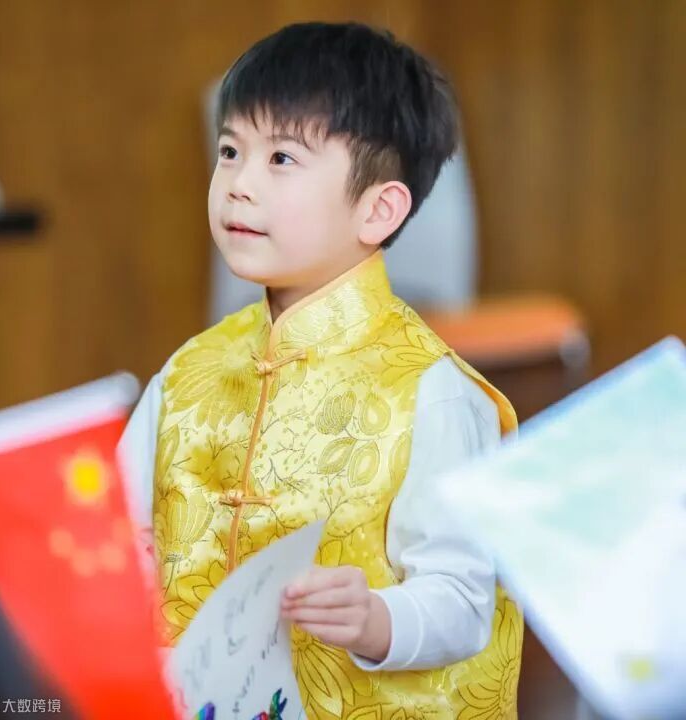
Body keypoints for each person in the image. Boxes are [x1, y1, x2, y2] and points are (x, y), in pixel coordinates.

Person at [119, 21, 523, 719]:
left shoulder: (432, 392)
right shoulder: (186, 375)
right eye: (230, 151)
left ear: (378, 208)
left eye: (281, 157)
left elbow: (463, 601)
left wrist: (375, 619)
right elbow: (112, 535)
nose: (238, 185)